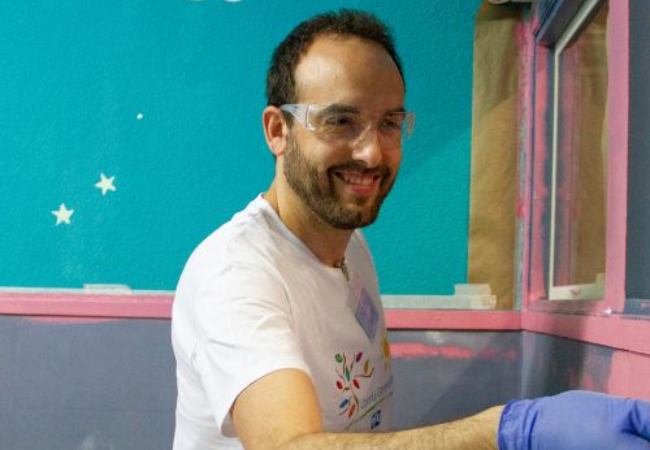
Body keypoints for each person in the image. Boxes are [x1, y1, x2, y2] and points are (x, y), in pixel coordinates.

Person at [171, 9, 650, 450]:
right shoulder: (233, 275)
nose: (372, 154)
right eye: (340, 120)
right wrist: (503, 431)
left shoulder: (351, 244)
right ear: (278, 131)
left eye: (389, 123)